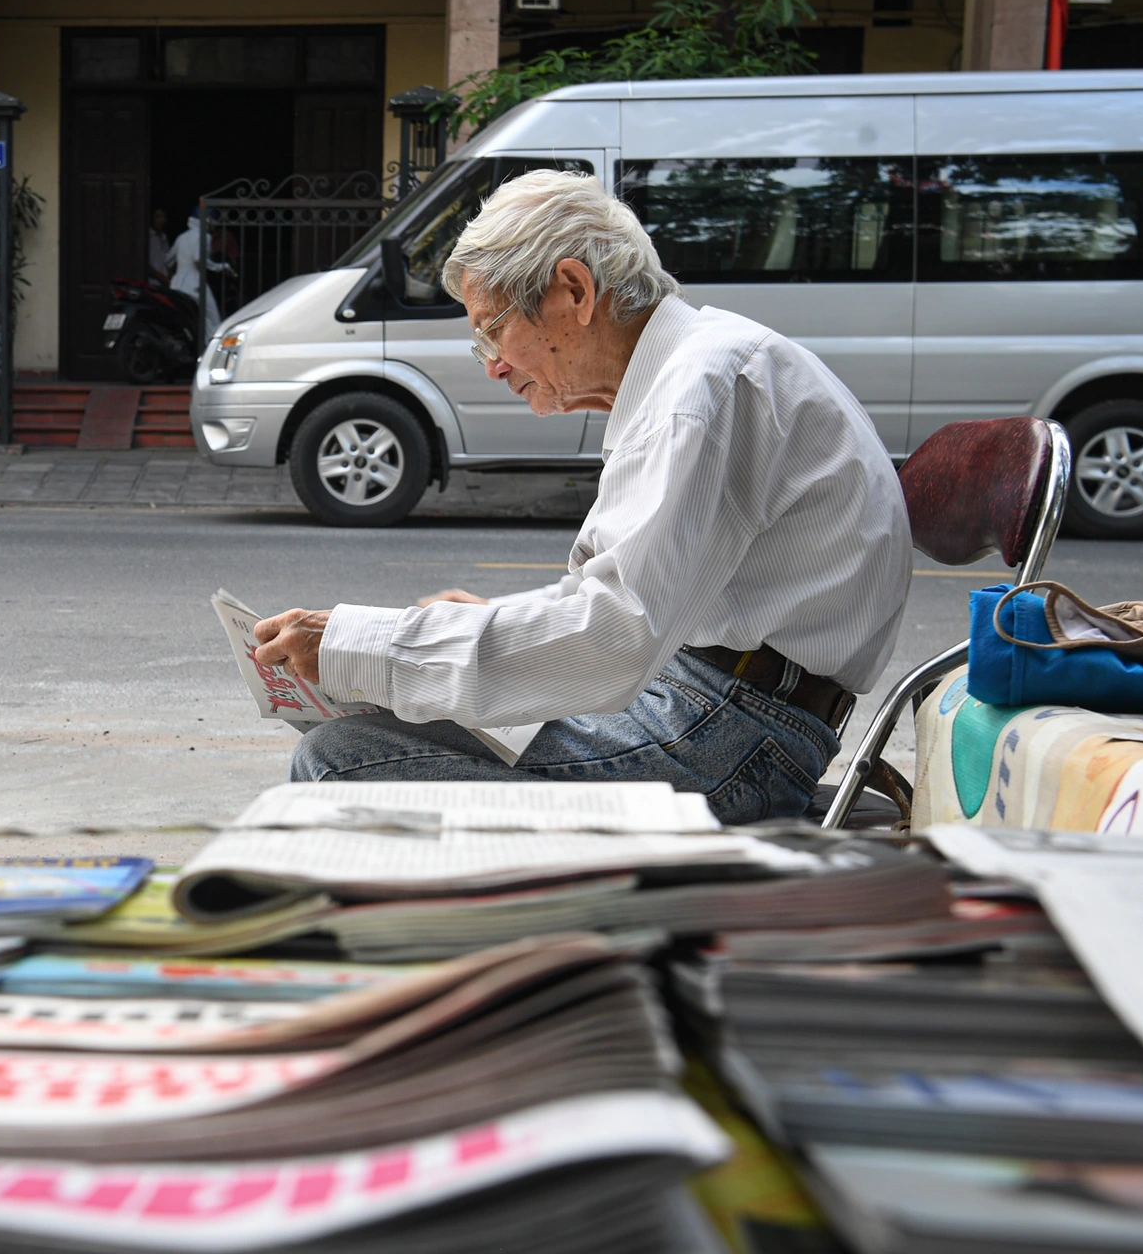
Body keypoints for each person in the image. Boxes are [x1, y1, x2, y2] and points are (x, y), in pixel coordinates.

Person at [251, 170, 912, 824]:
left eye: (492, 329)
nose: (493, 364)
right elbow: (624, 609)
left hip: (726, 729)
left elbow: (614, 633)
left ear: (573, 289)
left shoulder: (700, 389)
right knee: (404, 715)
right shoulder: (691, 373)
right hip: (703, 696)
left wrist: (364, 645)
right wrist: (480, 626)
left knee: (342, 761)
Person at [169, 207, 230, 338]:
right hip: (195, 284)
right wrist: (221, 267)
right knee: (213, 319)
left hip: (176, 283)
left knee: (187, 319)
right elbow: (199, 259)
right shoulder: (204, 236)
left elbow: (168, 260)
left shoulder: (182, 237)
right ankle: (211, 349)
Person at [146, 208, 172, 283]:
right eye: (158, 217)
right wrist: (162, 278)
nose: (161, 220)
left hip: (164, 283)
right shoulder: (147, 236)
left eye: (163, 217)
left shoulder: (164, 237)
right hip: (152, 282)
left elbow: (168, 259)